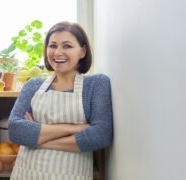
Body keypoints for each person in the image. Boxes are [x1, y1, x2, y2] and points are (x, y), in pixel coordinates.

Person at [8, 21, 113, 180]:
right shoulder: (33, 85)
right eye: (52, 45)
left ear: (83, 51)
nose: (57, 52)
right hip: (26, 173)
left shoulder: (96, 84)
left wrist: (37, 138)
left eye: (67, 46)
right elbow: (16, 130)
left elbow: (100, 135)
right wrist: (77, 128)